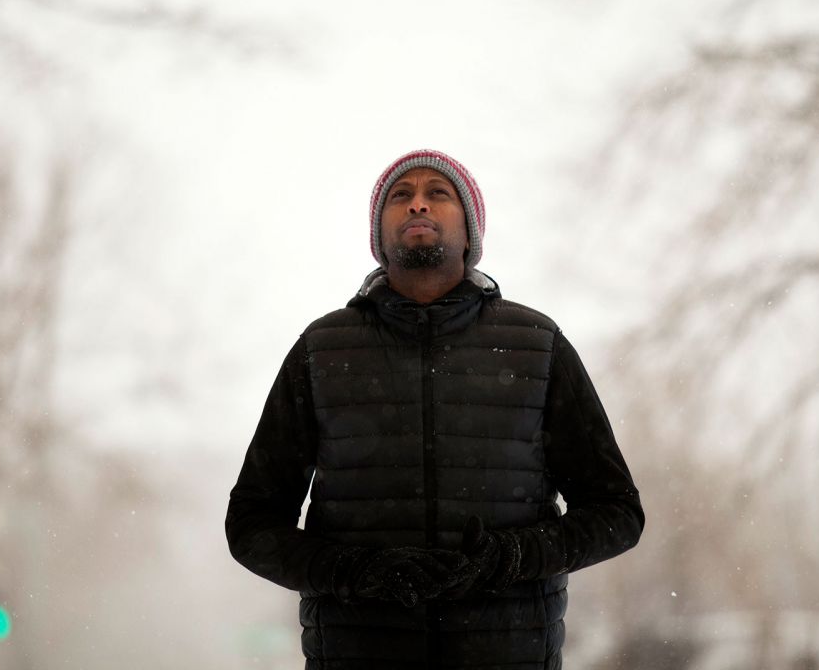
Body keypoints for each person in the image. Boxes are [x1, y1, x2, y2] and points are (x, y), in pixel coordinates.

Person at [226, 148, 644, 669]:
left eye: (437, 194)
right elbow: (251, 523)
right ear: (379, 237)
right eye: (400, 197)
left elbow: (617, 513)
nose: (417, 205)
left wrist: (512, 557)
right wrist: (355, 572)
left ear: (469, 233)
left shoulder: (538, 344)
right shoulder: (322, 349)